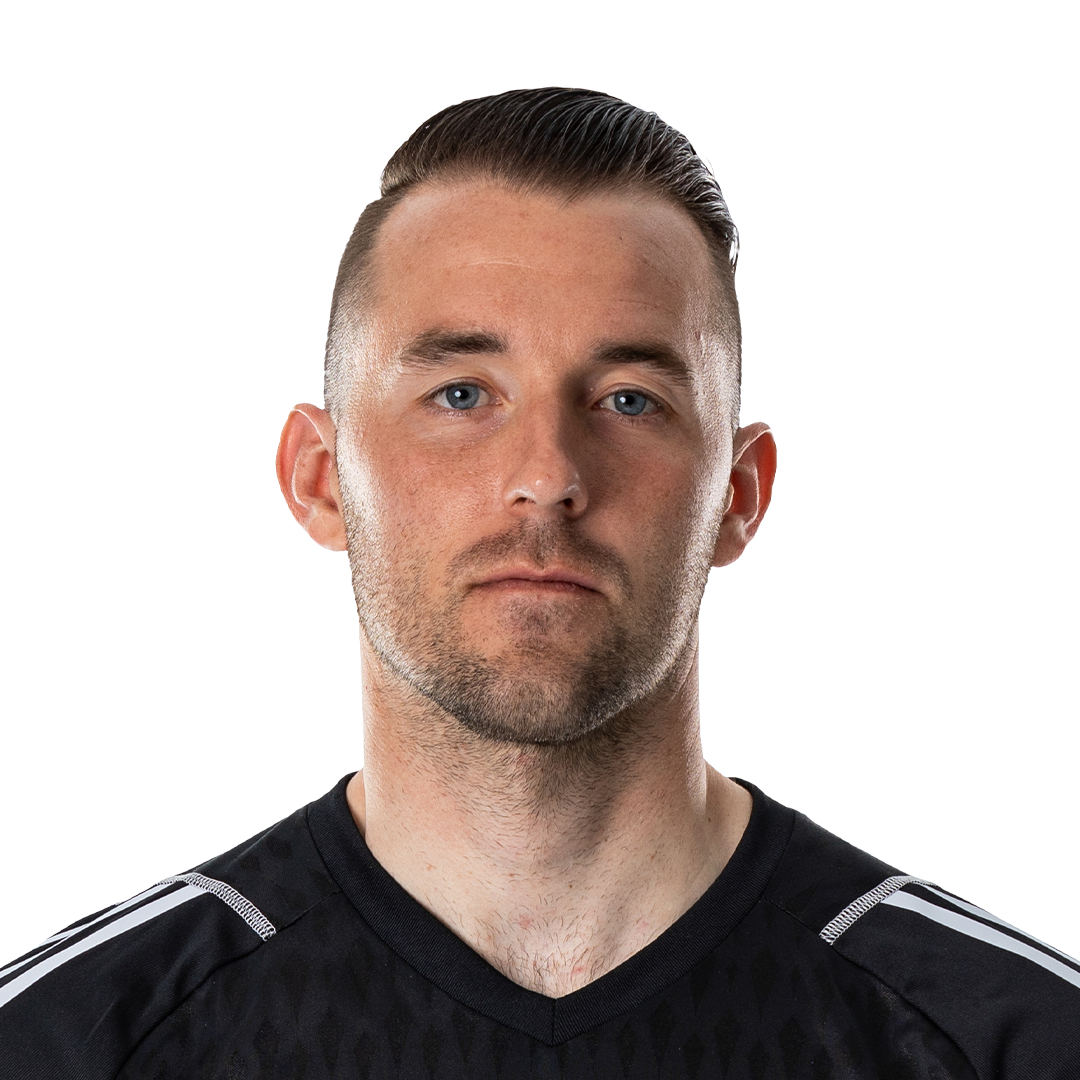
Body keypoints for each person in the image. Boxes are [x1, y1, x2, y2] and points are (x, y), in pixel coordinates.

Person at [1, 87, 1077, 1079]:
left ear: (737, 495)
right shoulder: (68, 1043)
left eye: (629, 400)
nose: (548, 476)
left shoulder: (1010, 1041)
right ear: (321, 479)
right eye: (463, 394)